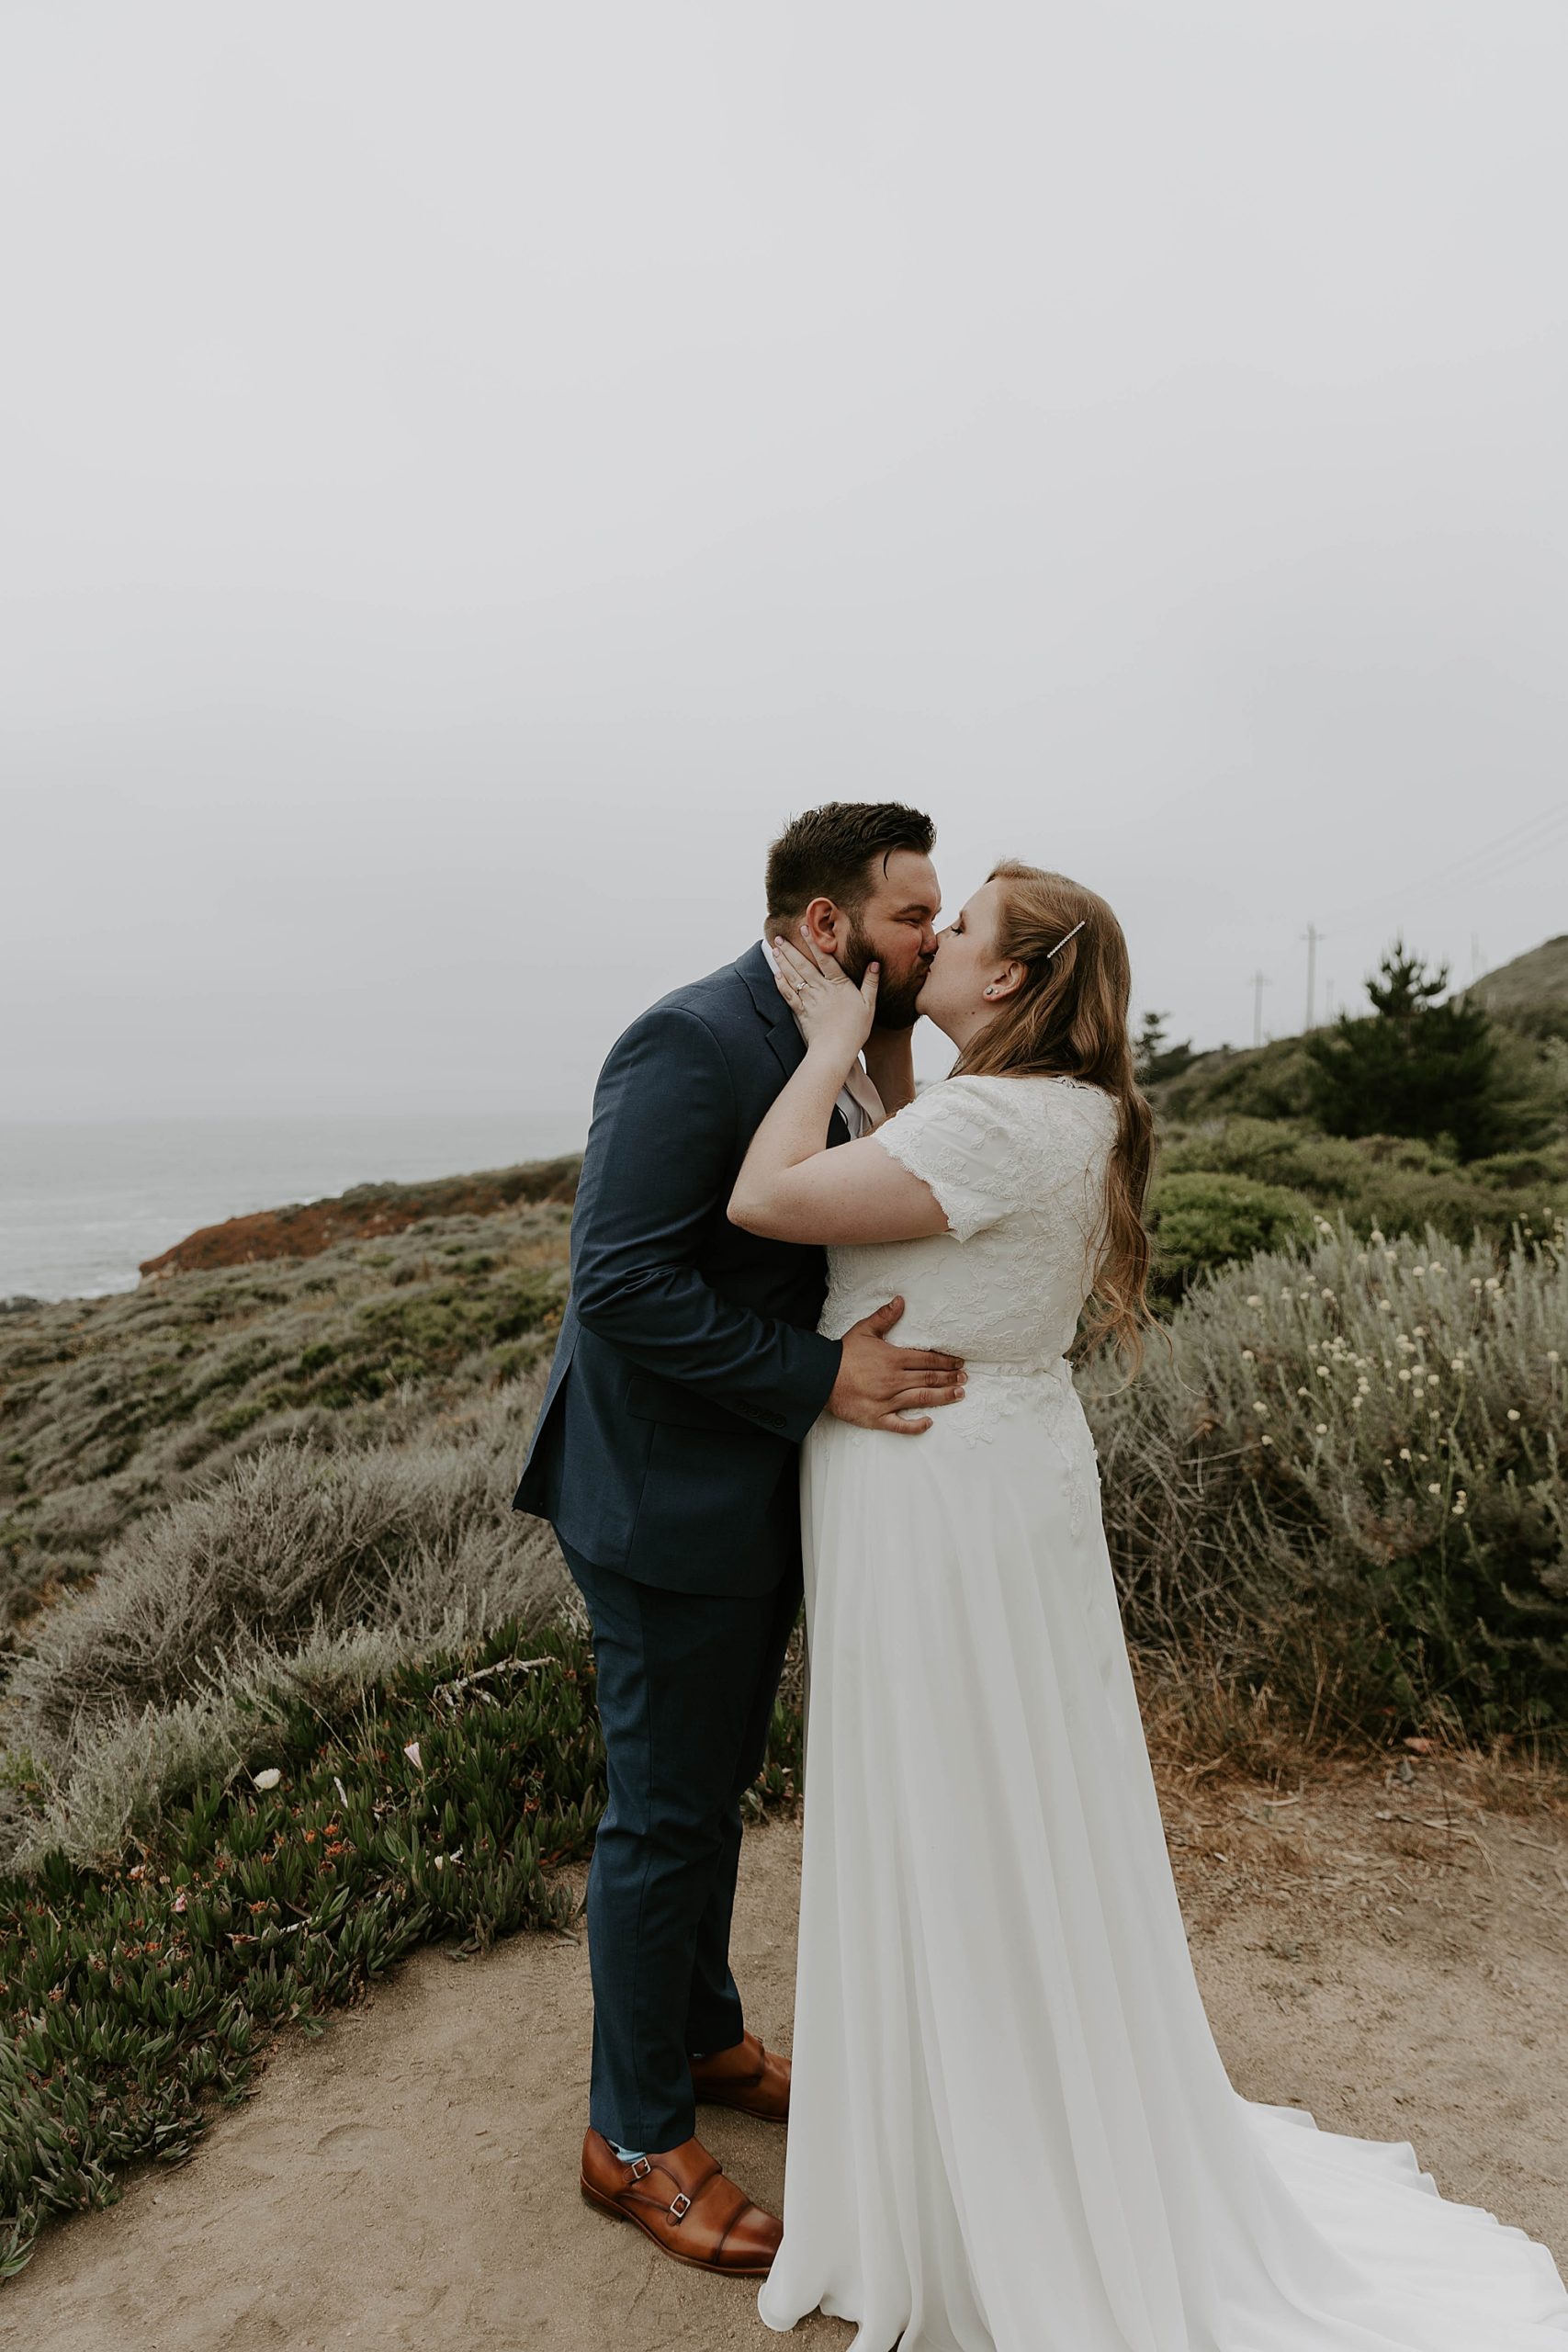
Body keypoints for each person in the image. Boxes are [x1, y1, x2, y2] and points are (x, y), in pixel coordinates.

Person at [730, 863, 1568, 2352]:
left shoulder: (1002, 1119)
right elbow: (927, 1165)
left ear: (1015, 981)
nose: (934, 940)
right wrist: (885, 1054)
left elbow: (767, 1197)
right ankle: (977, 2118)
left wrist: (818, 1055)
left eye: (963, 929)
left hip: (939, 1493)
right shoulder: (1061, 1107)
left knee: (961, 1804)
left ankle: (976, 2166)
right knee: (997, 1804)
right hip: (979, 1472)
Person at [511, 800, 968, 2277]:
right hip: (662, 1499)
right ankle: (630, 2136)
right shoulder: (690, 1040)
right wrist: (820, 1380)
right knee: (663, 1816)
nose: (935, 938)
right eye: (914, 916)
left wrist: (885, 1048)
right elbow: (624, 1284)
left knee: (705, 1796)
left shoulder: (836, 1036)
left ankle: (702, 2038)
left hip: (755, 1489)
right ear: (827, 928)